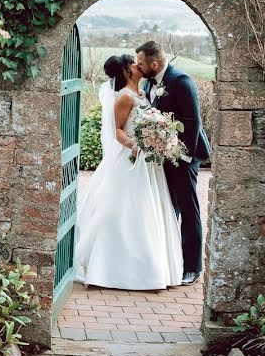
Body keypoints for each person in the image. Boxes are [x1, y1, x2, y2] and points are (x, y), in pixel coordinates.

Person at [73, 54, 184, 290]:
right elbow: (117, 132)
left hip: (148, 164)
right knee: (128, 210)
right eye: (134, 63)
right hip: (131, 161)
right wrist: (138, 147)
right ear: (126, 71)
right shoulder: (124, 97)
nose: (138, 65)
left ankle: (153, 267)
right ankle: (115, 268)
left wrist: (159, 140)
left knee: (149, 209)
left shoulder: (142, 93)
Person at [135, 40, 211, 285]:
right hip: (164, 156)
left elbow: (192, 122)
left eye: (140, 62)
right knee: (169, 208)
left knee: (189, 210)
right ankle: (171, 262)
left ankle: (192, 267)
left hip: (185, 157)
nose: (138, 66)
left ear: (154, 63)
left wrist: (184, 155)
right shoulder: (149, 83)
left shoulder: (181, 81)